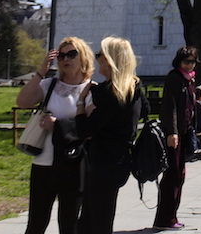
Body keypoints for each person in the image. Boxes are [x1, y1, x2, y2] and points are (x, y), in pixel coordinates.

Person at [15, 37, 93, 234]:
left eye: (71, 54)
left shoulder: (91, 90)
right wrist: (42, 71)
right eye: (61, 55)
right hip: (43, 162)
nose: (66, 59)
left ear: (83, 57)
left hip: (72, 164)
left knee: (69, 224)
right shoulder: (49, 85)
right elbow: (23, 101)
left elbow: (91, 129)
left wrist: (58, 126)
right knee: (36, 223)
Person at [77, 36, 146, 234]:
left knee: (97, 222)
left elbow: (84, 130)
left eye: (99, 54)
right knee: (93, 219)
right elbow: (143, 112)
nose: (96, 58)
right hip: (120, 161)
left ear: (110, 59)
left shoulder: (111, 93)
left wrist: (81, 102)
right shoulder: (134, 88)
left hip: (104, 163)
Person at [153, 46, 196, 231]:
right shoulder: (174, 78)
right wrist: (172, 132)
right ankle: (165, 218)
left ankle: (172, 215)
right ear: (179, 61)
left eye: (193, 62)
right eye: (186, 61)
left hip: (184, 132)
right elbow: (169, 106)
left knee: (179, 175)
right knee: (171, 176)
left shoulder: (188, 80)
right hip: (175, 135)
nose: (189, 65)